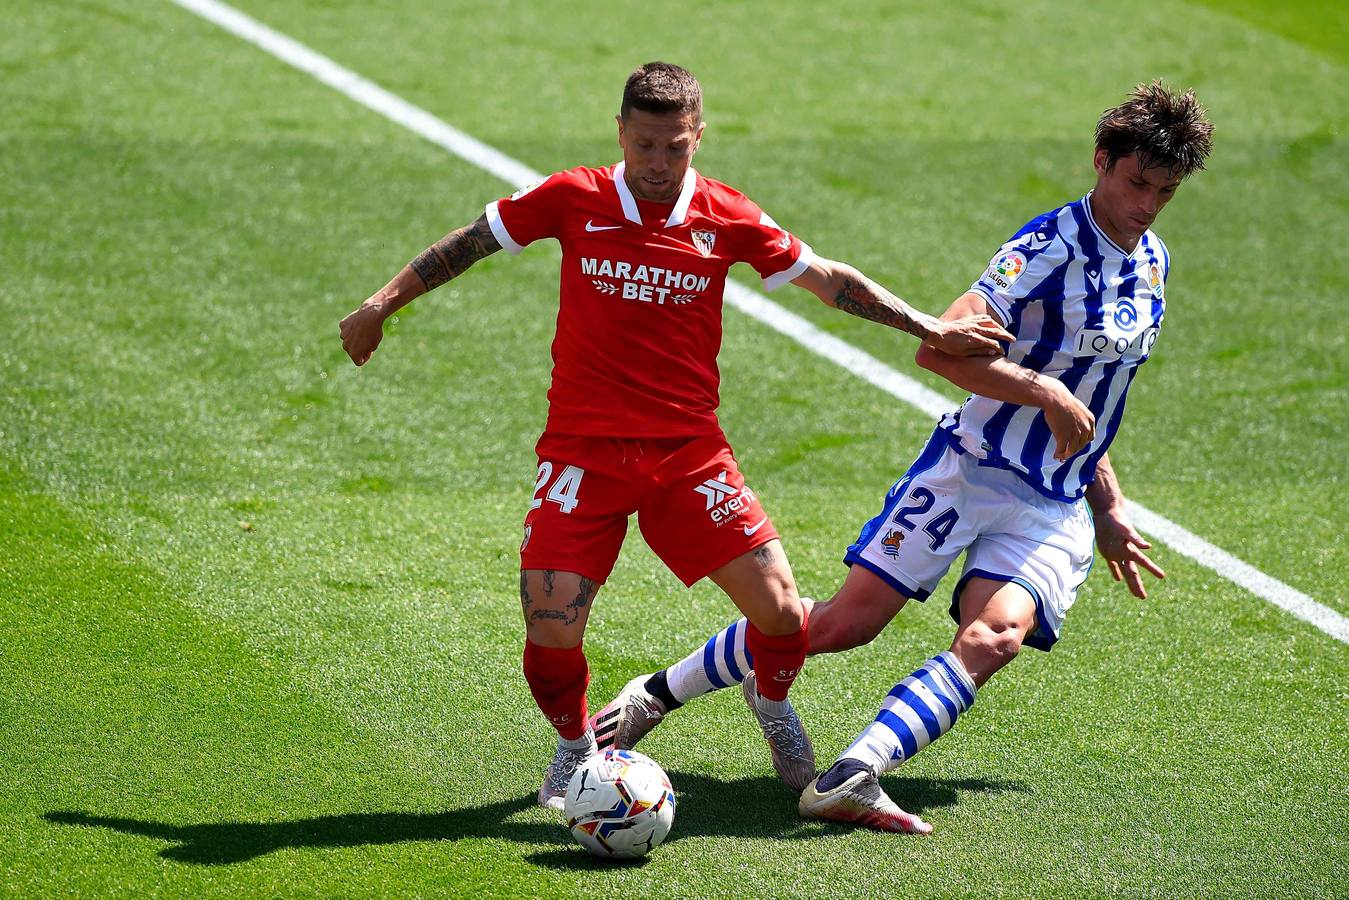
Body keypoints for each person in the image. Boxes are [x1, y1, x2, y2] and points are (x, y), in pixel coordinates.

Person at [338, 62, 1010, 809]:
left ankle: (772, 700)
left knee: (783, 616)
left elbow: (823, 278)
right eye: (646, 146)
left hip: (688, 454)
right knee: (549, 618)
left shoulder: (725, 215)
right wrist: (379, 304)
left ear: (698, 138)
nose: (659, 165)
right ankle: (574, 746)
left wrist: (928, 326)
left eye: (676, 148)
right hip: (583, 452)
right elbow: (471, 241)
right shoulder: (574, 197)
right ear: (621, 133)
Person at [590, 80, 1213, 832]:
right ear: (1101, 160)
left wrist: (1105, 501)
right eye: (1135, 182)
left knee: (995, 637)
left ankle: (853, 773)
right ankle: (656, 692)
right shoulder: (1044, 250)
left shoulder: (1152, 264)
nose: (1146, 204)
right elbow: (940, 348)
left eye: (1165, 192)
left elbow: (1098, 395)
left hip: (1053, 499)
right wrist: (1041, 390)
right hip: (969, 468)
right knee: (844, 624)